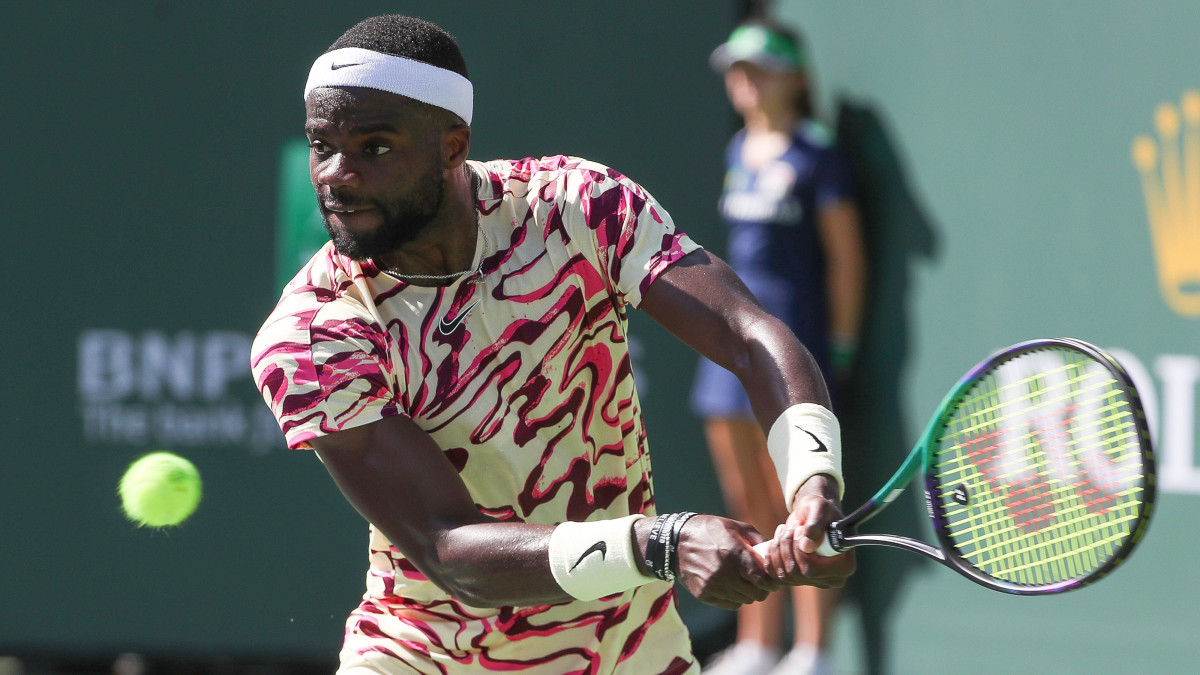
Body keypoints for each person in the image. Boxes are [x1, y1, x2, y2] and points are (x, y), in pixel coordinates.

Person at [251, 14, 854, 675]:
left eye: (376, 147)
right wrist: (665, 544)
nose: (338, 175)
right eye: (321, 144)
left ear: (452, 145)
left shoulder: (578, 207)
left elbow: (748, 332)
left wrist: (812, 480)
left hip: (625, 650)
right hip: (423, 656)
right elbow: (447, 546)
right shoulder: (314, 332)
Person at [690, 19, 867, 675]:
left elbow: (846, 263)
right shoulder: (739, 149)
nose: (745, 81)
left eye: (759, 68)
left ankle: (812, 651)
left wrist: (840, 351)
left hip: (796, 347)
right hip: (727, 352)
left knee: (803, 507)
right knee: (747, 507)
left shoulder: (819, 156)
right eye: (737, 70)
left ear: (793, 76)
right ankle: (758, 643)